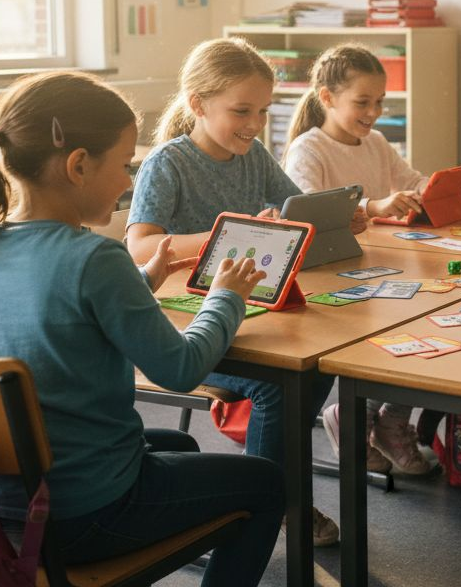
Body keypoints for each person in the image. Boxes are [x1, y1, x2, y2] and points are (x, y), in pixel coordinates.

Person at [0, 71, 282, 586]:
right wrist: (226, 297)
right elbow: (180, 368)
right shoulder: (95, 258)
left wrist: (141, 281)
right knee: (268, 482)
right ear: (78, 165)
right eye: (124, 165)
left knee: (180, 447)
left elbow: (58, 316)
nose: (129, 181)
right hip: (82, 513)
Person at [126, 37, 341, 546]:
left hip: (244, 307)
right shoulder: (169, 162)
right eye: (241, 110)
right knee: (275, 384)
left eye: (263, 111)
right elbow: (139, 246)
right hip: (183, 324)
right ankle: (271, 499)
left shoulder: (253, 153)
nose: (254, 123)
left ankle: (270, 472)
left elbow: (293, 205)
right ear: (198, 105)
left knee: (313, 369)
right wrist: (227, 233)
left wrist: (334, 213)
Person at [280, 43, 436, 476]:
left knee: (425, 316)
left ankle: (385, 419)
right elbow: (309, 210)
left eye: (380, 101)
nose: (374, 112)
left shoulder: (377, 141)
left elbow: (412, 180)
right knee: (389, 327)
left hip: (368, 265)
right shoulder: (308, 149)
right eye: (363, 102)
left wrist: (439, 188)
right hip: (324, 275)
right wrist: (373, 206)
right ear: (327, 98)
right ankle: (352, 414)